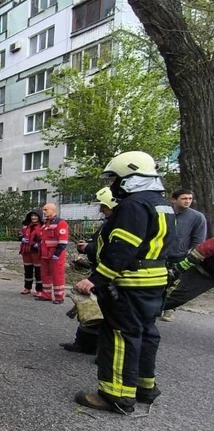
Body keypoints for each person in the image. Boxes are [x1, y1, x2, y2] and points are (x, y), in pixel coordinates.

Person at [74, 151, 177, 414]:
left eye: (114, 180)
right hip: (154, 283)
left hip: (130, 283)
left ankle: (116, 396)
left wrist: (95, 280)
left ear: (129, 178)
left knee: (120, 336)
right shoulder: (161, 204)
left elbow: (122, 249)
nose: (112, 186)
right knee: (146, 333)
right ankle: (144, 387)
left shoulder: (133, 205)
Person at [60, 187, 118, 355]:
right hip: (100, 271)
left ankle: (102, 351)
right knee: (90, 309)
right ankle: (84, 344)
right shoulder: (110, 223)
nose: (101, 209)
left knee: (101, 312)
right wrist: (87, 248)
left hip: (108, 275)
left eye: (104, 206)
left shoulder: (120, 224)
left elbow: (112, 250)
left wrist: (89, 247)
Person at [161, 188, 208, 322]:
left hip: (180, 257)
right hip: (159, 255)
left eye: (189, 199)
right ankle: (154, 306)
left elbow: (199, 241)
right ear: (174, 199)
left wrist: (189, 256)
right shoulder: (164, 213)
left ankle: (169, 309)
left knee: (174, 286)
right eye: (184, 198)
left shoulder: (197, 217)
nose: (187, 201)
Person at [164, 238, 214, 312]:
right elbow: (207, 247)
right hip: (204, 272)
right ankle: (145, 311)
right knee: (177, 299)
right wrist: (188, 261)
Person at [37, 203, 69, 304]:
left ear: (53, 210)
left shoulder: (61, 223)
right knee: (45, 275)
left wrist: (57, 253)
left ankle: (59, 297)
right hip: (45, 254)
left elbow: (63, 241)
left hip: (55, 255)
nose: (44, 212)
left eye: (46, 210)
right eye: (43, 210)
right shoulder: (46, 224)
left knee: (57, 275)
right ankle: (46, 295)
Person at [18, 209, 44, 296]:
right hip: (26, 251)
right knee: (28, 270)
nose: (33, 217)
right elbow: (20, 235)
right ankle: (27, 288)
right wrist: (21, 238)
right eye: (32, 216)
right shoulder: (26, 226)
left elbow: (44, 238)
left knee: (38, 272)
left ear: (39, 217)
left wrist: (39, 243)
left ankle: (39, 290)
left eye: (36, 216)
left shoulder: (42, 227)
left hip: (37, 252)